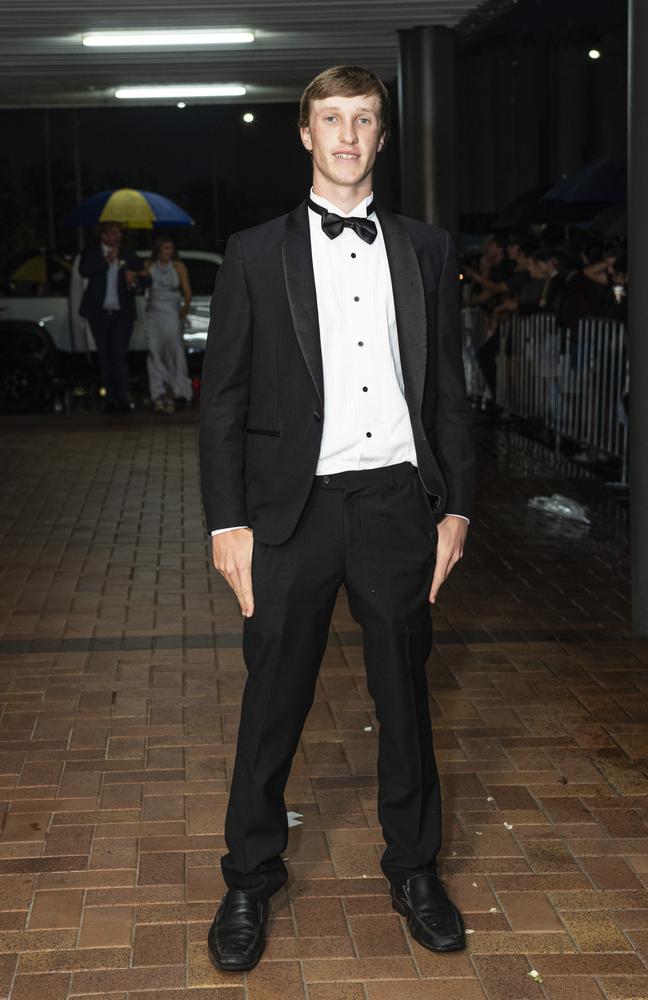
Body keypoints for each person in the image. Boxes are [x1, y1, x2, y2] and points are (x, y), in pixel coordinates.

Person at [199, 65, 475, 973]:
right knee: (272, 700)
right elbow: (223, 399)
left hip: (397, 502)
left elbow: (447, 390)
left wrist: (457, 505)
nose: (348, 135)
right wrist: (225, 520)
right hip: (292, 510)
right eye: (331, 119)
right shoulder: (253, 253)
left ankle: (414, 868)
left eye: (364, 119)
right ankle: (249, 875)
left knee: (405, 700)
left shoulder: (427, 249)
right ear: (306, 135)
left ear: (383, 137)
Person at [78, 222, 149, 413]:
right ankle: (110, 400)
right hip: (99, 314)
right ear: (103, 236)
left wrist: (134, 278)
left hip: (122, 314)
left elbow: (145, 277)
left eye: (119, 233)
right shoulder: (92, 252)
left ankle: (123, 400)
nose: (117, 237)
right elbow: (83, 270)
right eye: (113, 233)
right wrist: (107, 260)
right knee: (104, 357)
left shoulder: (127, 253)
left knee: (119, 355)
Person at [143, 237, 193, 412]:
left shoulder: (178, 266)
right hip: (154, 313)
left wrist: (185, 307)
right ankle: (157, 395)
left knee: (173, 352)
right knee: (155, 353)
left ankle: (173, 393)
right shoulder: (149, 265)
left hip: (171, 312)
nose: (169, 251)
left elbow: (187, 292)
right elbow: (144, 289)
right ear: (158, 249)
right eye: (165, 248)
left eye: (171, 248)